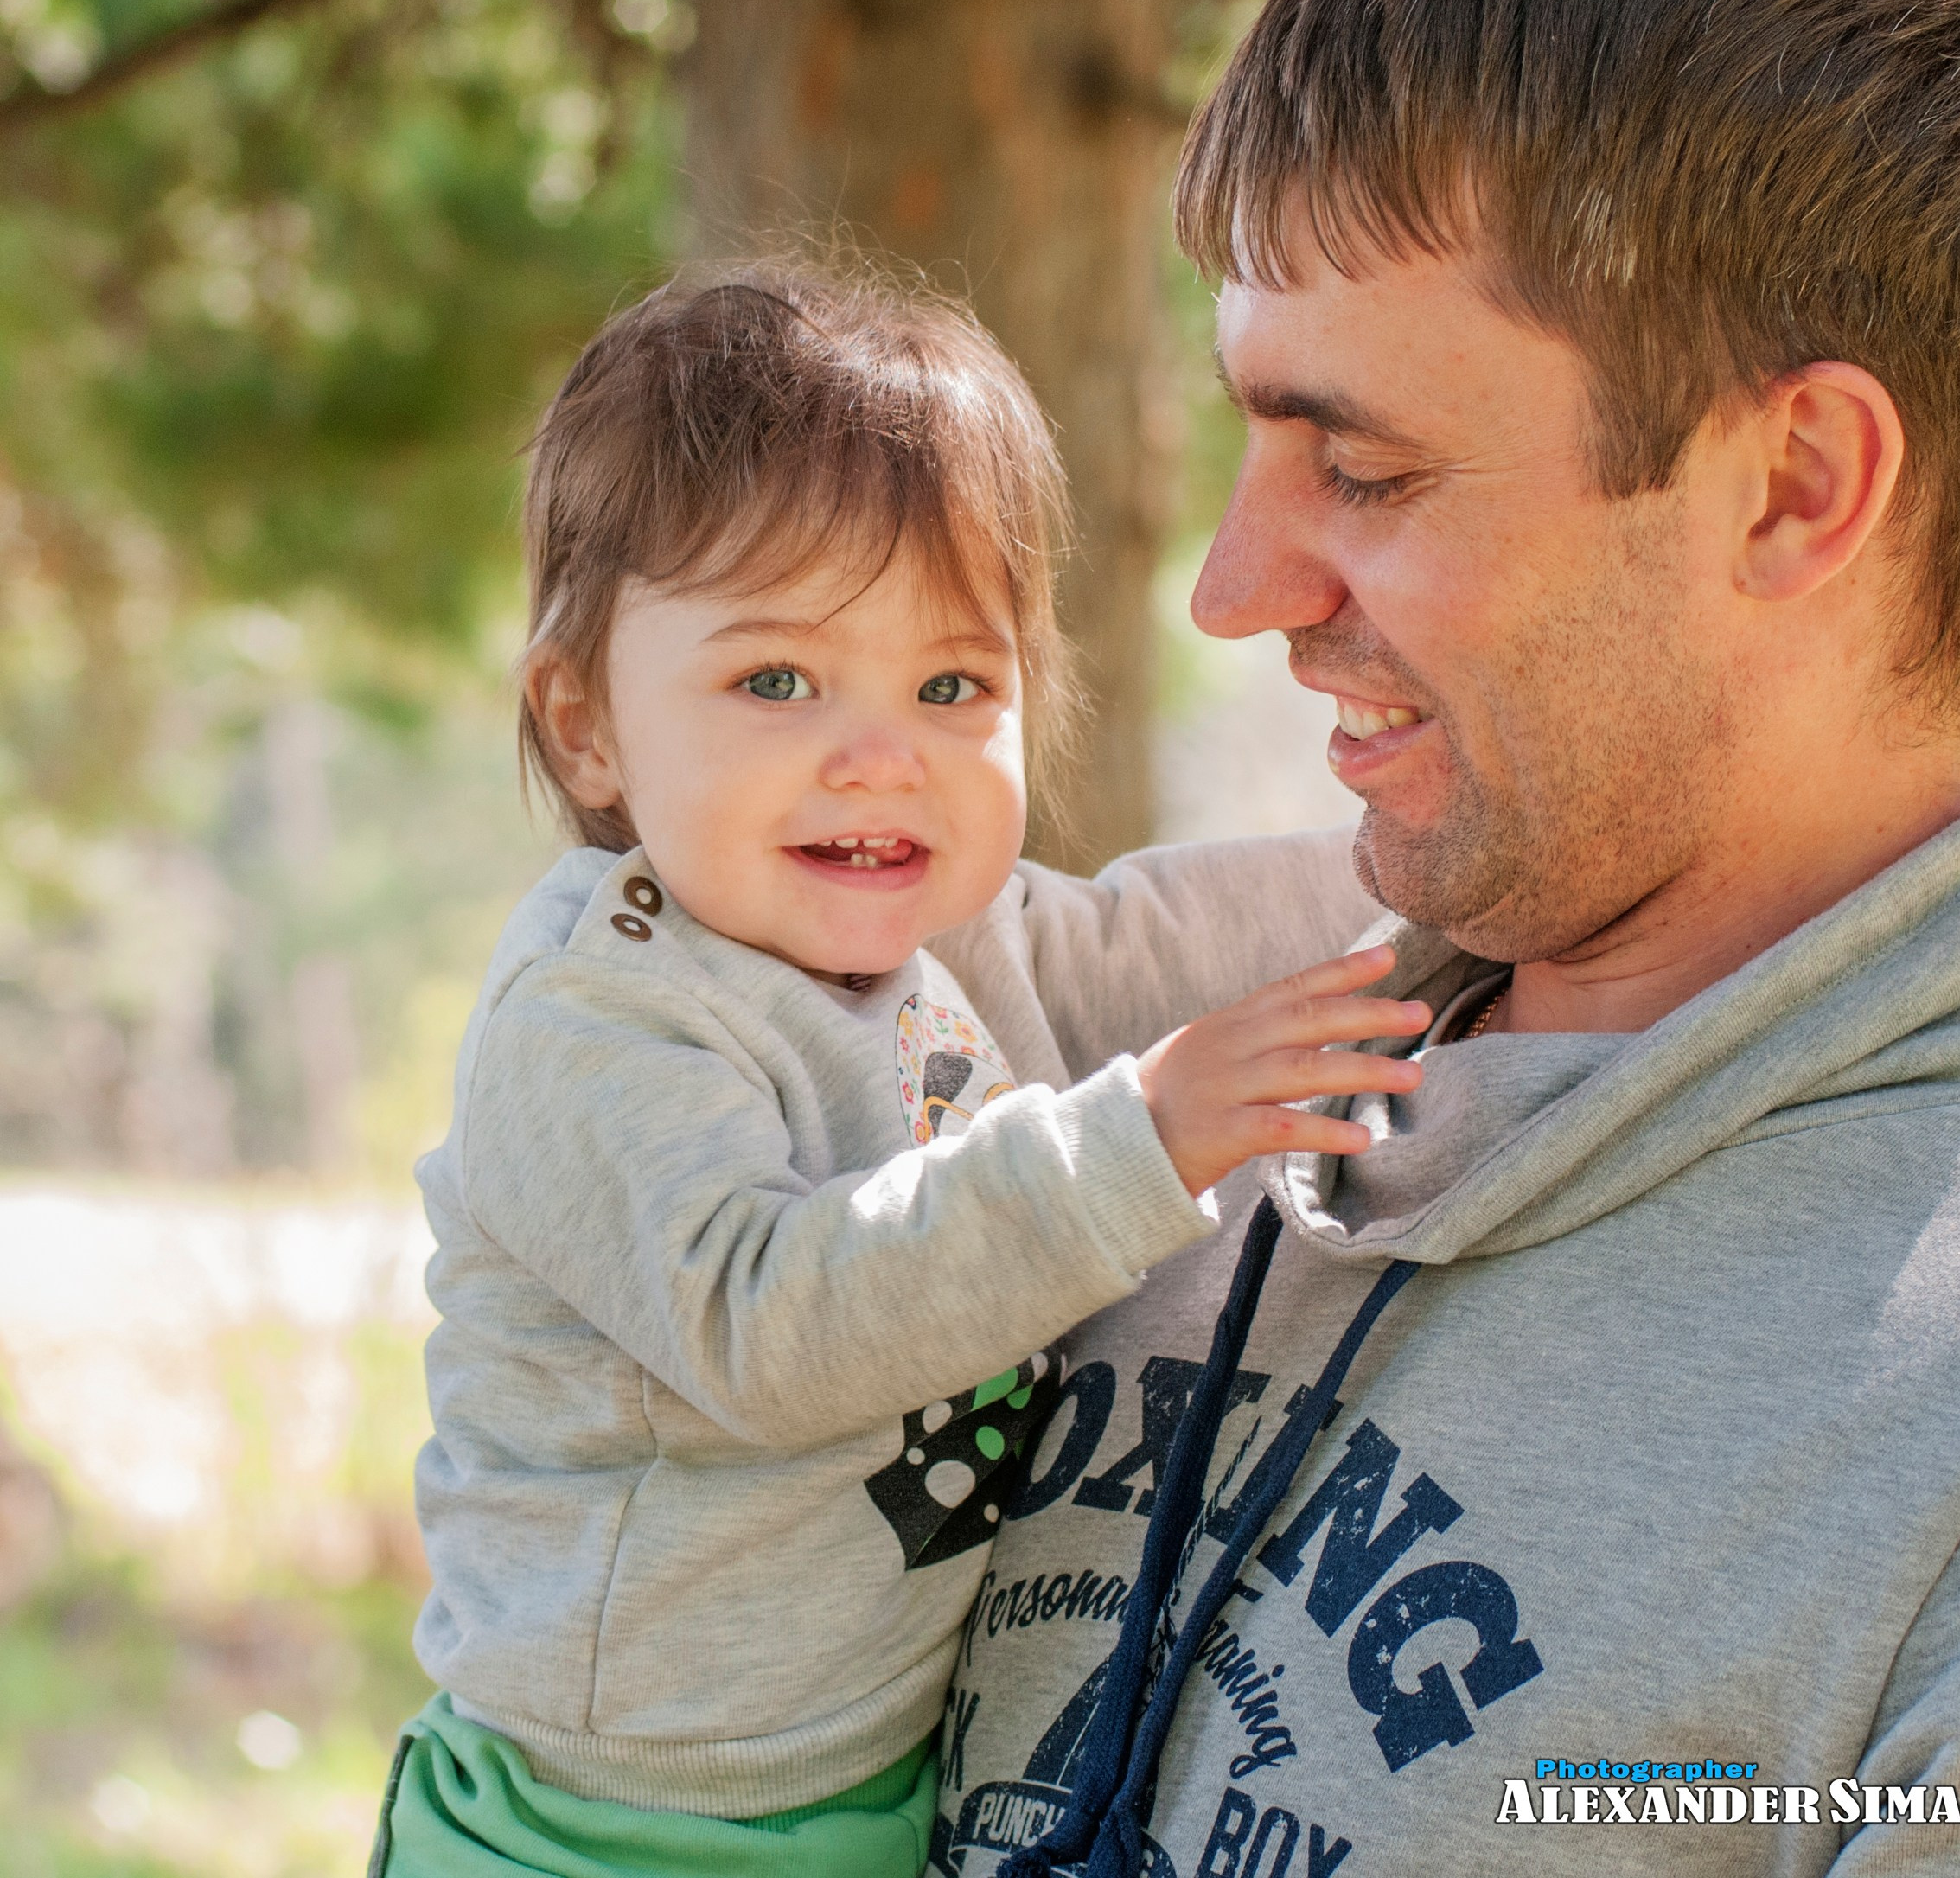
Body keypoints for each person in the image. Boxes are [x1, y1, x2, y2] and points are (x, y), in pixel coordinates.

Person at [922, 0, 1960, 1875]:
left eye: (1374, 472)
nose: (1235, 590)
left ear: (1791, 488)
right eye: (1255, 433)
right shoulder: (1128, 1091)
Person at [373, 266, 1427, 1876]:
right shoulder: (598, 1020)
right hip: (619, 1814)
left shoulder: (934, 944)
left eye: (952, 686)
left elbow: (1165, 934)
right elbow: (769, 1317)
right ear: (588, 726)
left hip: (871, 1772)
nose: (882, 753)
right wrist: (1140, 1138)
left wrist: (1436, 872)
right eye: (775, 680)